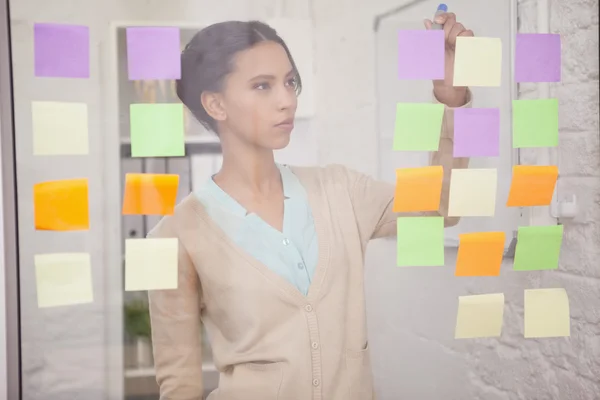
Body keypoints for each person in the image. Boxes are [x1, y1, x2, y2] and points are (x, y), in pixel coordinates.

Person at [148, 13, 473, 400]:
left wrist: (452, 99)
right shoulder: (174, 237)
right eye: (262, 86)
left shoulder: (340, 190)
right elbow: (179, 386)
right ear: (216, 104)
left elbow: (441, 207)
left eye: (289, 82)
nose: (287, 100)